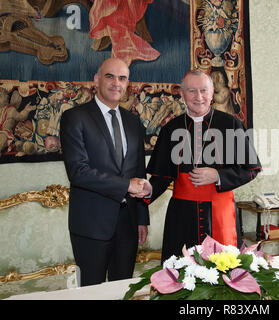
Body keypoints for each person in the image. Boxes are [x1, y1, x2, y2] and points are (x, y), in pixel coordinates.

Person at [145, 69, 261, 263]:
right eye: (191, 91)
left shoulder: (231, 125)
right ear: (182, 95)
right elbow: (161, 177)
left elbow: (251, 169)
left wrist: (218, 175)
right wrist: (142, 197)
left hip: (220, 214)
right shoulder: (170, 129)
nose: (198, 97)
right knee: (180, 275)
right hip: (181, 216)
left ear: (212, 92)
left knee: (223, 273)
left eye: (204, 90)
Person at [60, 58, 151, 286]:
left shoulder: (133, 122)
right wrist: (125, 186)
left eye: (122, 78)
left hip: (128, 224)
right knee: (91, 291)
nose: (116, 83)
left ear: (128, 84)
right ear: (97, 80)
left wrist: (142, 218)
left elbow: (138, 170)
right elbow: (78, 171)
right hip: (91, 224)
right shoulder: (75, 118)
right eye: (110, 76)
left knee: (122, 288)